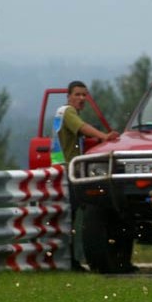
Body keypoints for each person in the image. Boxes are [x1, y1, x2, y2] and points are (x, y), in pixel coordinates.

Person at [51, 80, 120, 271]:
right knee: (73, 216)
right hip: (67, 171)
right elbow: (81, 127)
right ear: (69, 96)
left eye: (84, 95)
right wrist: (104, 136)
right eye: (78, 94)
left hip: (59, 170)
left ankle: (68, 259)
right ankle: (71, 261)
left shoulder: (61, 113)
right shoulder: (69, 113)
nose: (82, 98)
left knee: (68, 217)